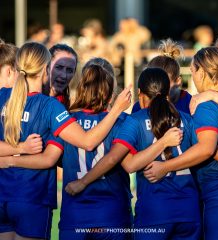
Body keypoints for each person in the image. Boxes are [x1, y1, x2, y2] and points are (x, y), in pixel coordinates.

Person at [0, 42, 131, 240]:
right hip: (34, 197)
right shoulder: (52, 107)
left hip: (7, 196)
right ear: (46, 68)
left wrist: (12, 156)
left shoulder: (5, 96)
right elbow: (86, 143)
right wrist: (117, 109)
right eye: (59, 67)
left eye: (70, 70)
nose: (64, 74)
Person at [64, 68, 201, 240]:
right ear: (168, 92)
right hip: (188, 211)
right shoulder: (187, 119)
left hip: (154, 212)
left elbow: (127, 164)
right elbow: (203, 152)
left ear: (140, 94)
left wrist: (82, 182)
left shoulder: (133, 120)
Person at [142, 47, 218, 240]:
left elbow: (206, 149)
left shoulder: (206, 105)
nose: (192, 77)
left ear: (202, 72)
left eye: (193, 71)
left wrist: (165, 167)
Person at [132, 38, 191, 114]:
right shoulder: (139, 106)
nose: (158, 87)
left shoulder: (189, 102)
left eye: (165, 82)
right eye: (153, 81)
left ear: (178, 81)